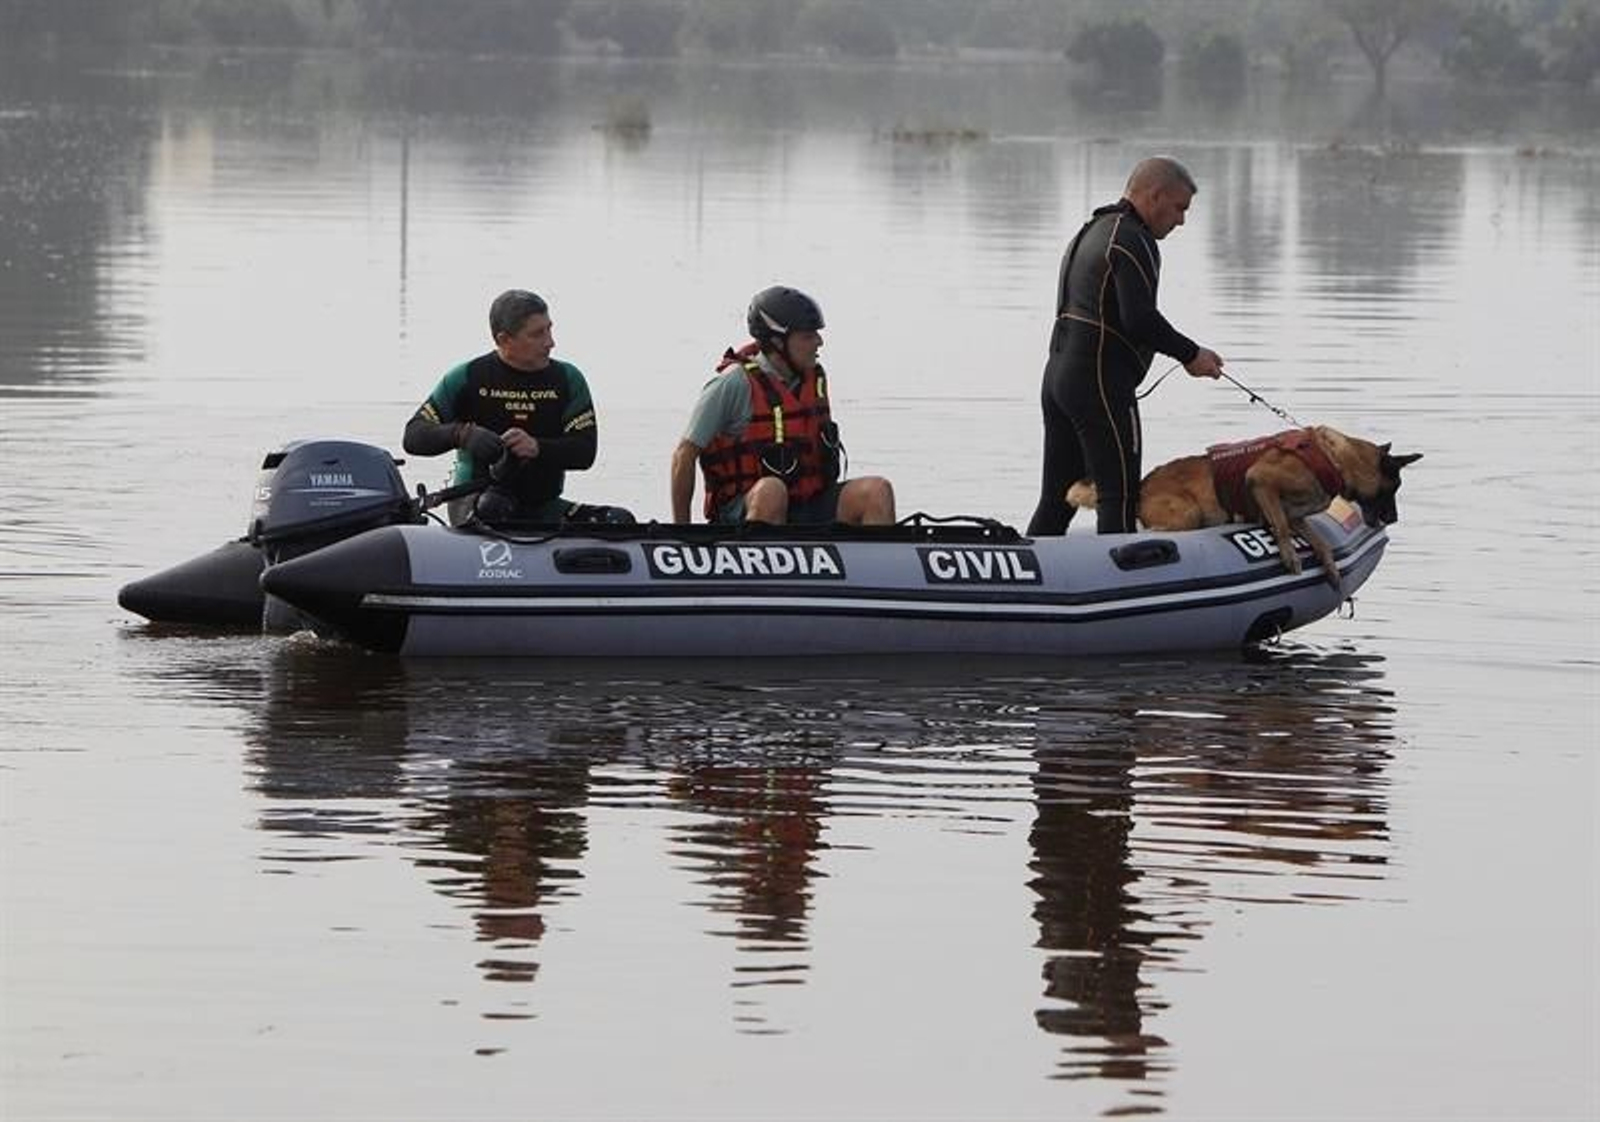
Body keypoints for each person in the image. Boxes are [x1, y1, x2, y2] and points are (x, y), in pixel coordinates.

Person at [1027, 156, 1225, 536]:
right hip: (1099, 384)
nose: (1182, 220)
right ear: (1155, 196)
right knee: (1117, 495)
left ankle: (1023, 577)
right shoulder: (1133, 238)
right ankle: (1119, 588)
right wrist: (1191, 354)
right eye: (1179, 208)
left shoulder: (1093, 230)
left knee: (1057, 498)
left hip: (1059, 380)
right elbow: (1140, 319)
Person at [670, 285, 896, 526]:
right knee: (772, 491)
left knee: (877, 491)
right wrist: (681, 534)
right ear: (778, 342)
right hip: (744, 510)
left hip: (808, 503)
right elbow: (683, 455)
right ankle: (758, 557)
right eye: (808, 336)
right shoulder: (732, 384)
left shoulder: (813, 379)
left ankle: (875, 561)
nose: (819, 342)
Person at [403, 289, 629, 526]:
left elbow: (585, 451)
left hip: (542, 505)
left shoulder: (567, 379)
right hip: (475, 504)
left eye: (549, 329)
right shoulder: (469, 377)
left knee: (619, 521)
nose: (550, 342)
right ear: (504, 340)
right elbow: (413, 435)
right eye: (537, 334)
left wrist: (537, 447)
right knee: (496, 507)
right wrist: (462, 434)